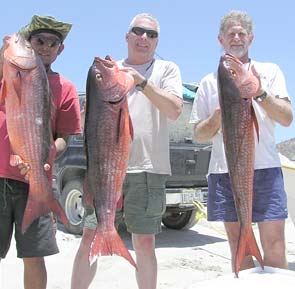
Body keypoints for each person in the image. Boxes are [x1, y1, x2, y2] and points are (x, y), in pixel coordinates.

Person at [0, 15, 81, 289]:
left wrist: (49, 152)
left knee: (34, 258)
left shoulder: (65, 88)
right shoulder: (7, 75)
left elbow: (64, 137)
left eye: (53, 43)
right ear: (28, 44)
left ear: (60, 50)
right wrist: (0, 65)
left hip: (35, 183)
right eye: (38, 41)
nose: (45, 47)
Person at [70, 13, 183, 289]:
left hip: (147, 169)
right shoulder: (111, 71)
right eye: (138, 31)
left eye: (152, 34)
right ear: (127, 36)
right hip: (102, 169)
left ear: (157, 41)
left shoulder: (167, 70)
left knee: (144, 242)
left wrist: (142, 83)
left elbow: (175, 110)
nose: (144, 38)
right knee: (89, 236)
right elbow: (86, 123)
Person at [190, 10, 293, 273]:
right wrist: (216, 118)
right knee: (237, 243)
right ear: (220, 39)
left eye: (241, 33)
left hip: (266, 168)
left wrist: (259, 93)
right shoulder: (208, 82)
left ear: (251, 38)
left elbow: (287, 117)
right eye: (230, 33)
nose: (236, 37)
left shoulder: (270, 71)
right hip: (224, 173)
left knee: (275, 244)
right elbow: (199, 134)